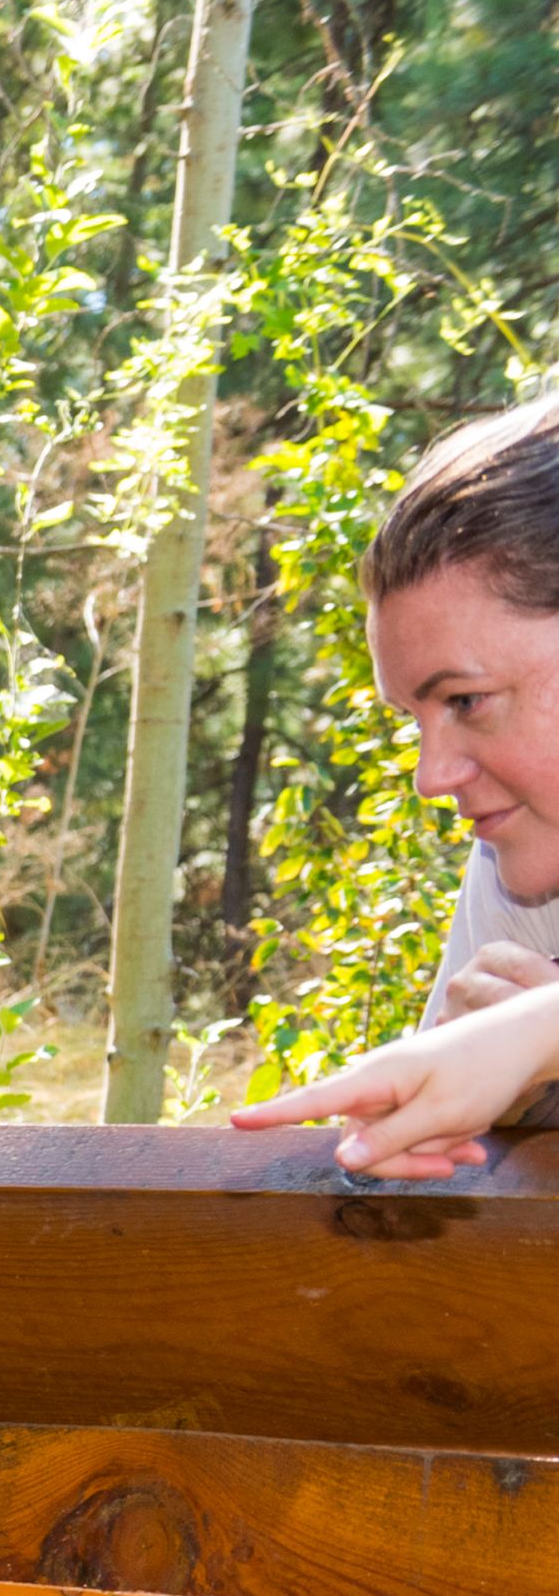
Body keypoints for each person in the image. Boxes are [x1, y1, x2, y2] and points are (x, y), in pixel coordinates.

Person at [235, 394, 559, 1176]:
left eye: (465, 700)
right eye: (415, 717)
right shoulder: (523, 862)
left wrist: (542, 1034)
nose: (430, 777)